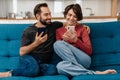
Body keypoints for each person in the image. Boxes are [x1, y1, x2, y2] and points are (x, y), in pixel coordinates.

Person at [0, 3, 90, 78]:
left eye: (50, 14)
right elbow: (22, 52)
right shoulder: (28, 30)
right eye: (46, 15)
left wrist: (84, 26)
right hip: (29, 57)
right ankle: (9, 73)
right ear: (38, 16)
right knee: (33, 69)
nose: (49, 17)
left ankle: (35, 69)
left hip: (44, 62)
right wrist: (36, 43)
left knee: (53, 70)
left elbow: (70, 21)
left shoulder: (53, 25)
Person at [53, 4, 117, 77]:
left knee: (58, 44)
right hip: (69, 61)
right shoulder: (59, 31)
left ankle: (76, 68)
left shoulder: (83, 29)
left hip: (83, 59)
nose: (71, 18)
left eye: (75, 16)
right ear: (65, 15)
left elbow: (89, 51)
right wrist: (64, 41)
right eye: (69, 15)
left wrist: (76, 40)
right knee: (60, 66)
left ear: (78, 18)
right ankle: (92, 72)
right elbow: (60, 51)